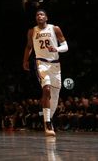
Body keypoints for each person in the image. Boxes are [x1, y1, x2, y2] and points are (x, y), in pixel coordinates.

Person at [22, 9, 67, 137]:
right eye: (37, 15)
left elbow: (66, 46)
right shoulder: (32, 31)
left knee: (55, 95)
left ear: (46, 17)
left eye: (41, 14)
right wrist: (25, 60)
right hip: (41, 63)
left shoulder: (55, 29)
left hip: (55, 64)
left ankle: (49, 118)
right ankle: (47, 123)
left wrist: (56, 48)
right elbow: (29, 47)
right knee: (46, 89)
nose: (39, 16)